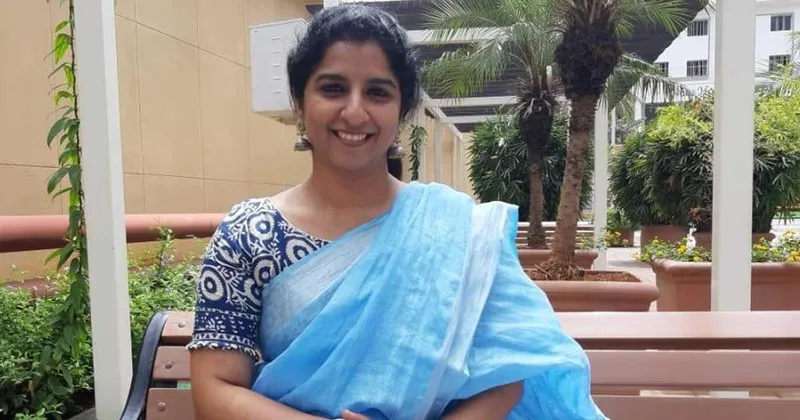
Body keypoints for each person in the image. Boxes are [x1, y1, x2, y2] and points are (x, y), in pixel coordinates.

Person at [187, 4, 607, 420]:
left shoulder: (458, 229)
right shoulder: (250, 234)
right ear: (300, 102)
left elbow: (505, 378)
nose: (355, 111)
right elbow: (214, 390)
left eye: (377, 92)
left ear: (403, 110)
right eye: (333, 88)